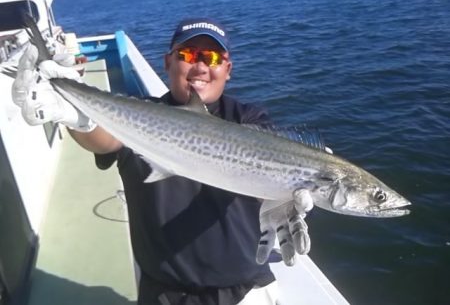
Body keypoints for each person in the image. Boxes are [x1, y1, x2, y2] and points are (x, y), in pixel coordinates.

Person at [12, 18, 313, 305]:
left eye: (211, 57)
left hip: (245, 289)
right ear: (168, 62)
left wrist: (284, 199)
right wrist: (79, 121)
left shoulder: (249, 120)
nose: (200, 66)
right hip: (164, 294)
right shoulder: (141, 117)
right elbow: (105, 140)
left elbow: (273, 162)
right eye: (188, 54)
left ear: (227, 68)